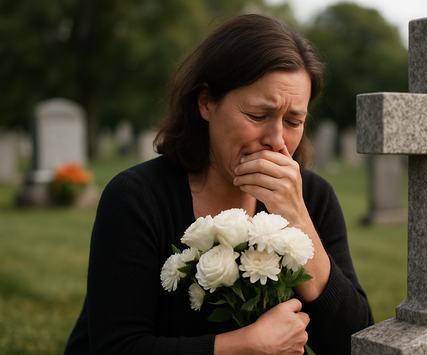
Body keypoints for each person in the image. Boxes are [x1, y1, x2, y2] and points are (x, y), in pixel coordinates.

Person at [64, 13, 373, 355]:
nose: (277, 140)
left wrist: (299, 222)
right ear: (206, 102)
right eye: (258, 116)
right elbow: (115, 347)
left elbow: (355, 344)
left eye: (293, 121)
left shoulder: (313, 198)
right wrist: (246, 345)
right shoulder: (136, 198)